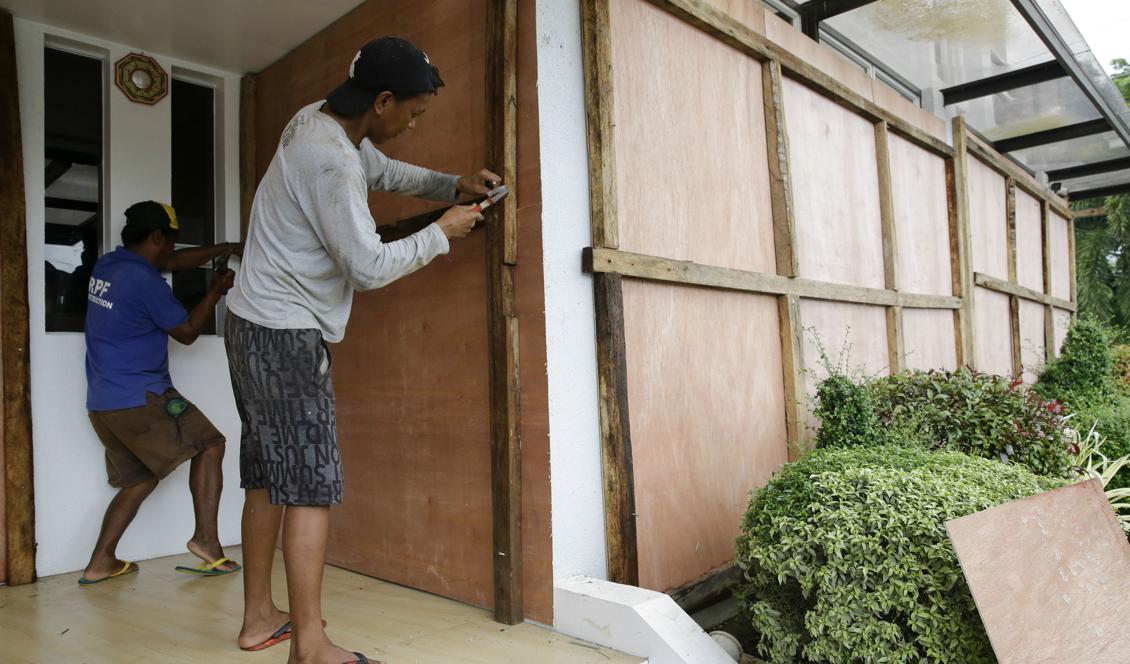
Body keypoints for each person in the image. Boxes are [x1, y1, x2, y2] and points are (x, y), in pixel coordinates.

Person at [225, 37, 494, 664]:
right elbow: (369, 267)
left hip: (248, 321)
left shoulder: (317, 118)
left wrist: (450, 185)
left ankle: (260, 617)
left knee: (267, 479)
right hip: (286, 334)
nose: (412, 123)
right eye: (415, 113)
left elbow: (384, 168)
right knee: (312, 486)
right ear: (382, 100)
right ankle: (311, 647)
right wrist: (441, 233)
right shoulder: (331, 164)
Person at [80, 200, 242, 585]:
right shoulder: (145, 282)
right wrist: (216, 290)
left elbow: (171, 264)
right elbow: (185, 333)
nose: (173, 251)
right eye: (171, 242)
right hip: (142, 397)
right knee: (210, 444)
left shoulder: (109, 266)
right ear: (156, 237)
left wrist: (222, 249)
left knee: (139, 478)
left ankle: (101, 561)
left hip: (104, 402)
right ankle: (206, 541)